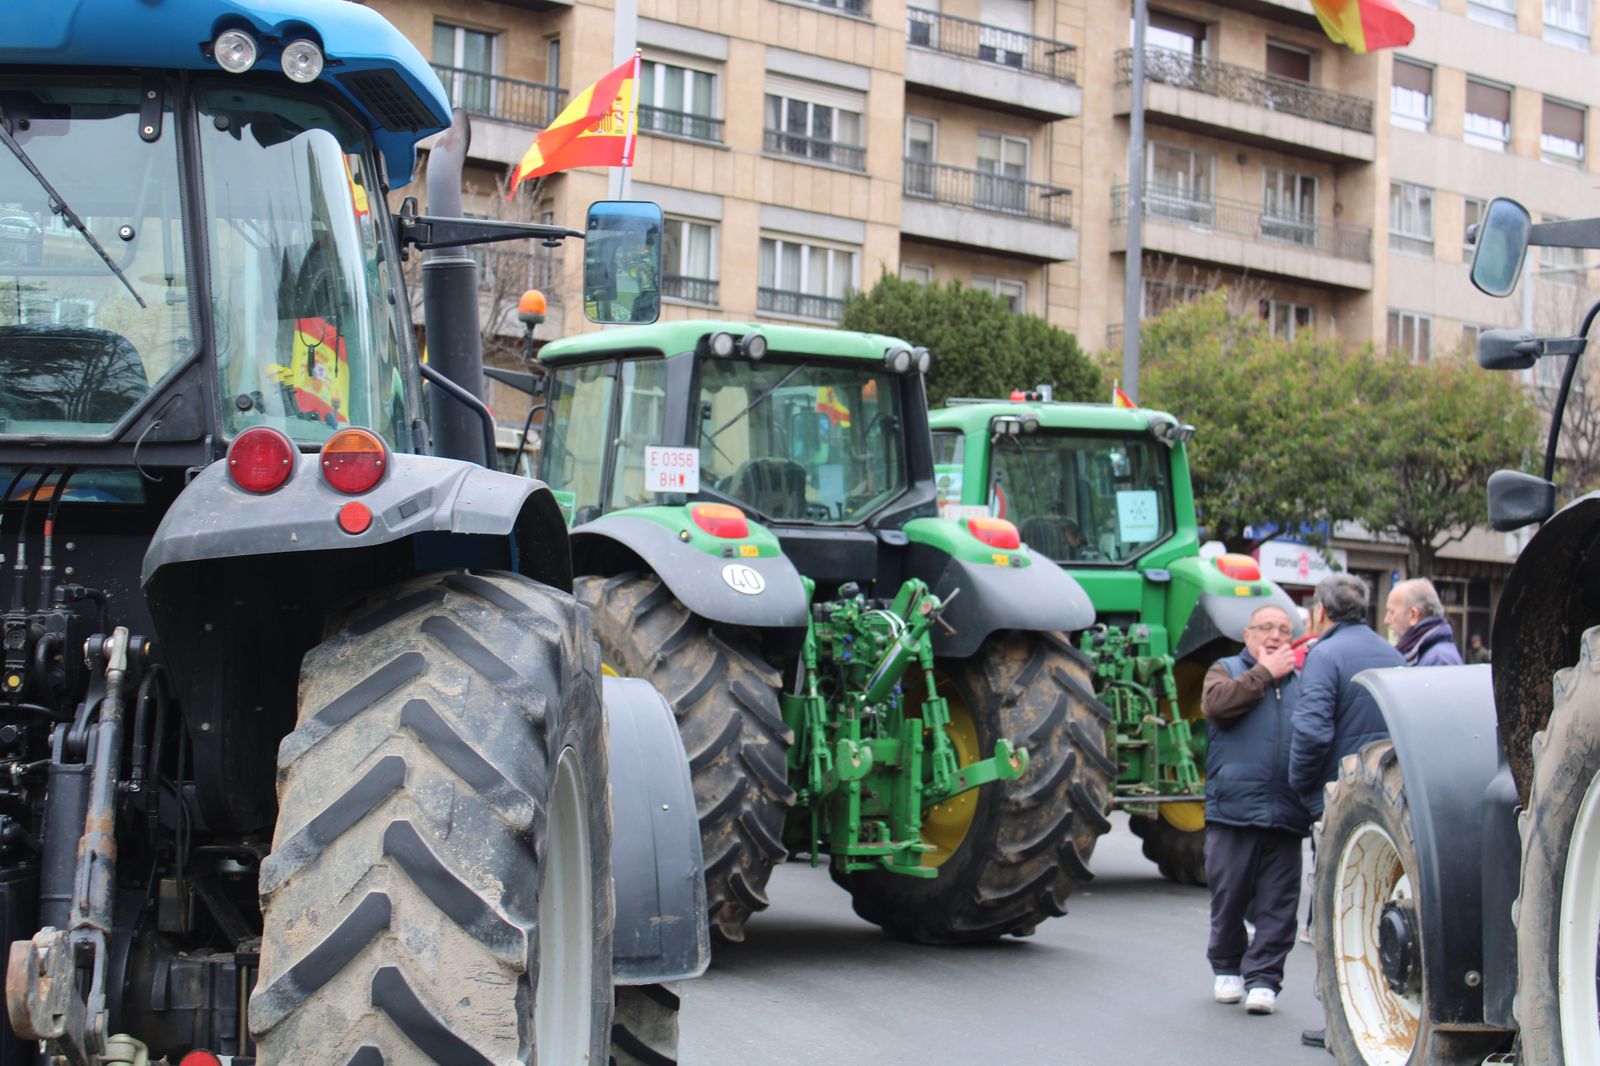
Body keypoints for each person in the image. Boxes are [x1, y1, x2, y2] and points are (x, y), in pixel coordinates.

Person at [1290, 573, 1406, 1050]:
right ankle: (1379, 1009)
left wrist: (1302, 786)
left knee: (1336, 912)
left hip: (1341, 798)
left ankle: (1341, 1020)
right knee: (1379, 907)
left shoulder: (1325, 655)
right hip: (1390, 800)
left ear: (1322, 611)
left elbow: (1312, 730)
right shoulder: (1393, 654)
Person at [1200, 604, 1310, 1017]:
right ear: (1247, 636)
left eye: (1284, 629)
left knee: (1279, 904)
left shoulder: (1302, 681)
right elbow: (1217, 706)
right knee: (1229, 896)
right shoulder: (1224, 669)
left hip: (1286, 811)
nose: (1276, 635)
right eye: (1266, 627)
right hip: (1234, 809)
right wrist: (1264, 674)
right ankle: (1227, 967)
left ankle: (1264, 979)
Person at [1383, 578, 1464, 666]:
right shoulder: (1428, 654)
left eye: (1391, 612)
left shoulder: (1439, 660)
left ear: (1413, 615)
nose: (1386, 620)